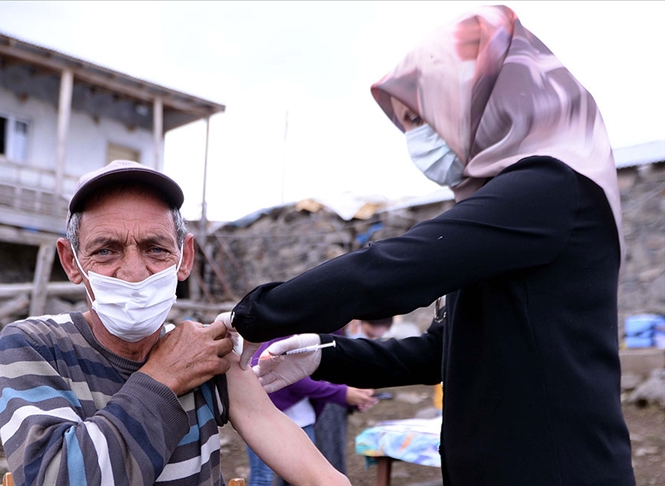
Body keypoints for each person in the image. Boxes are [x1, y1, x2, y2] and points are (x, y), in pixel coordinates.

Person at [221, 5, 634, 485]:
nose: (415, 138)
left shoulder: (550, 188)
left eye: (420, 117)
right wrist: (326, 354)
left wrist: (250, 316)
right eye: (406, 123)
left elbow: (392, 271)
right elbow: (439, 351)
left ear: (477, 98)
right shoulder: (508, 207)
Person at [0, 160, 349, 486]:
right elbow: (55, 478)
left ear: (185, 257)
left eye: (156, 249)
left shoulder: (206, 353)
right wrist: (165, 375)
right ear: (72, 262)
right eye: (105, 250)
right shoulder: (34, 344)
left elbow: (302, 458)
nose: (133, 273)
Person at [245, 337, 376, 486]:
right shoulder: (281, 326)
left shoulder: (328, 329)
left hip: (303, 419)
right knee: (262, 478)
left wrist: (354, 397)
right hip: (267, 417)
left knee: (304, 477)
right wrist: (343, 394)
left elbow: (326, 372)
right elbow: (295, 377)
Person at [312, 317, 392, 474]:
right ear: (357, 322)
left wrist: (356, 397)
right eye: (369, 334)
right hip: (316, 407)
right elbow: (310, 380)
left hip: (332, 404)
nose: (373, 341)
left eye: (377, 338)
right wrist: (344, 393)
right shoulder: (329, 332)